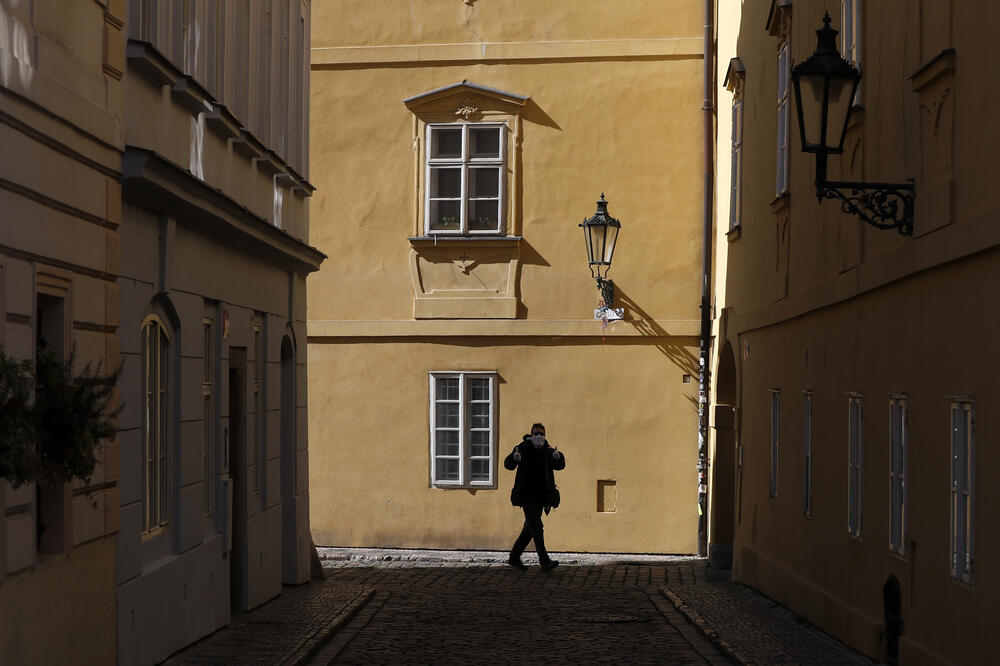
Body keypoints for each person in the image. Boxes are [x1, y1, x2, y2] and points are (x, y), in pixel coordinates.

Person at [503, 422, 565, 572]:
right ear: (531, 435)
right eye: (536, 433)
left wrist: (558, 457)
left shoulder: (547, 449)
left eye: (541, 434)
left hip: (542, 497)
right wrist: (514, 458)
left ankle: (514, 557)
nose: (539, 436)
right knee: (537, 527)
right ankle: (544, 560)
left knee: (529, 528)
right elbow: (508, 464)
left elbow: (560, 465)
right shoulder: (522, 448)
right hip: (526, 495)